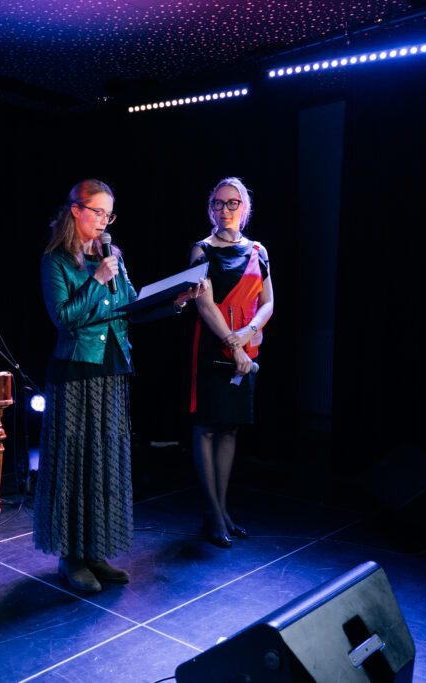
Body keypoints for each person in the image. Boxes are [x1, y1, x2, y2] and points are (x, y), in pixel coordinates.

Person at [34, 178, 201, 592]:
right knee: (75, 464)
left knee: (103, 461)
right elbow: (64, 318)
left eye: (109, 215)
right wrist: (96, 280)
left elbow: (129, 310)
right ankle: (71, 557)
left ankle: (95, 551)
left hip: (112, 369)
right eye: (98, 212)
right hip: (76, 372)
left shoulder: (113, 257)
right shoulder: (56, 260)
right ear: (76, 210)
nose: (104, 222)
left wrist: (173, 303)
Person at [189, 177, 275, 549]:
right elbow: (204, 303)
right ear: (210, 208)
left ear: (244, 208)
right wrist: (232, 344)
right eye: (217, 203)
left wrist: (248, 332)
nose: (224, 209)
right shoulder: (201, 249)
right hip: (214, 347)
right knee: (208, 427)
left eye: (232, 203)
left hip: (247, 347)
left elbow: (268, 302)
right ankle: (212, 512)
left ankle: (223, 510)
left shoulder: (258, 250)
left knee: (230, 430)